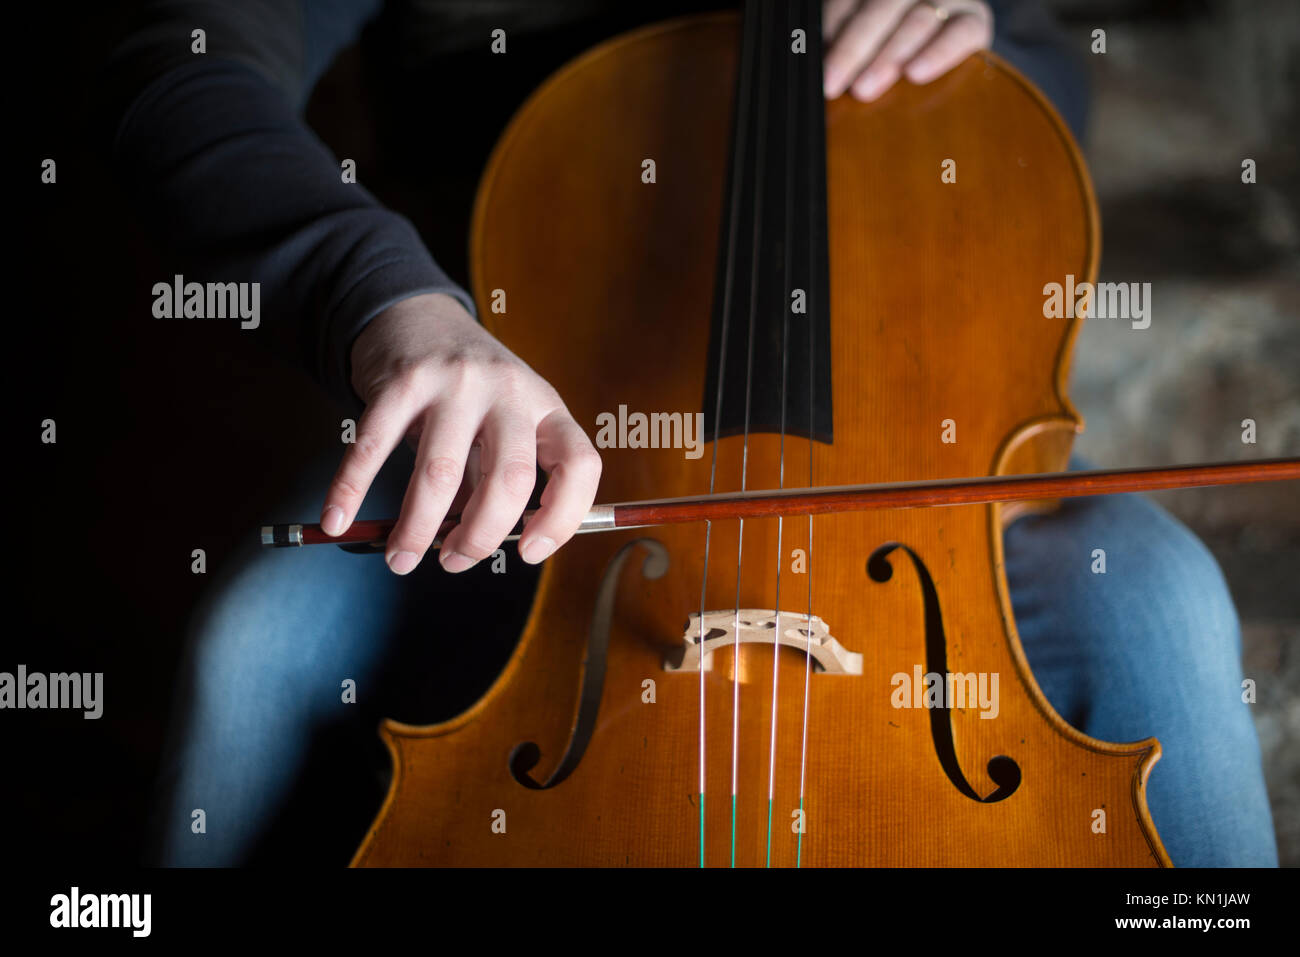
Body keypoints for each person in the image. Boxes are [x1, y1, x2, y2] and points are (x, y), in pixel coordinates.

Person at [105, 0, 1277, 866]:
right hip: (512, 462)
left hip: (915, 449)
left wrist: (990, 39)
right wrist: (382, 303)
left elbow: (1039, 78)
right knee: (260, 636)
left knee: (1163, 598)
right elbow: (179, 60)